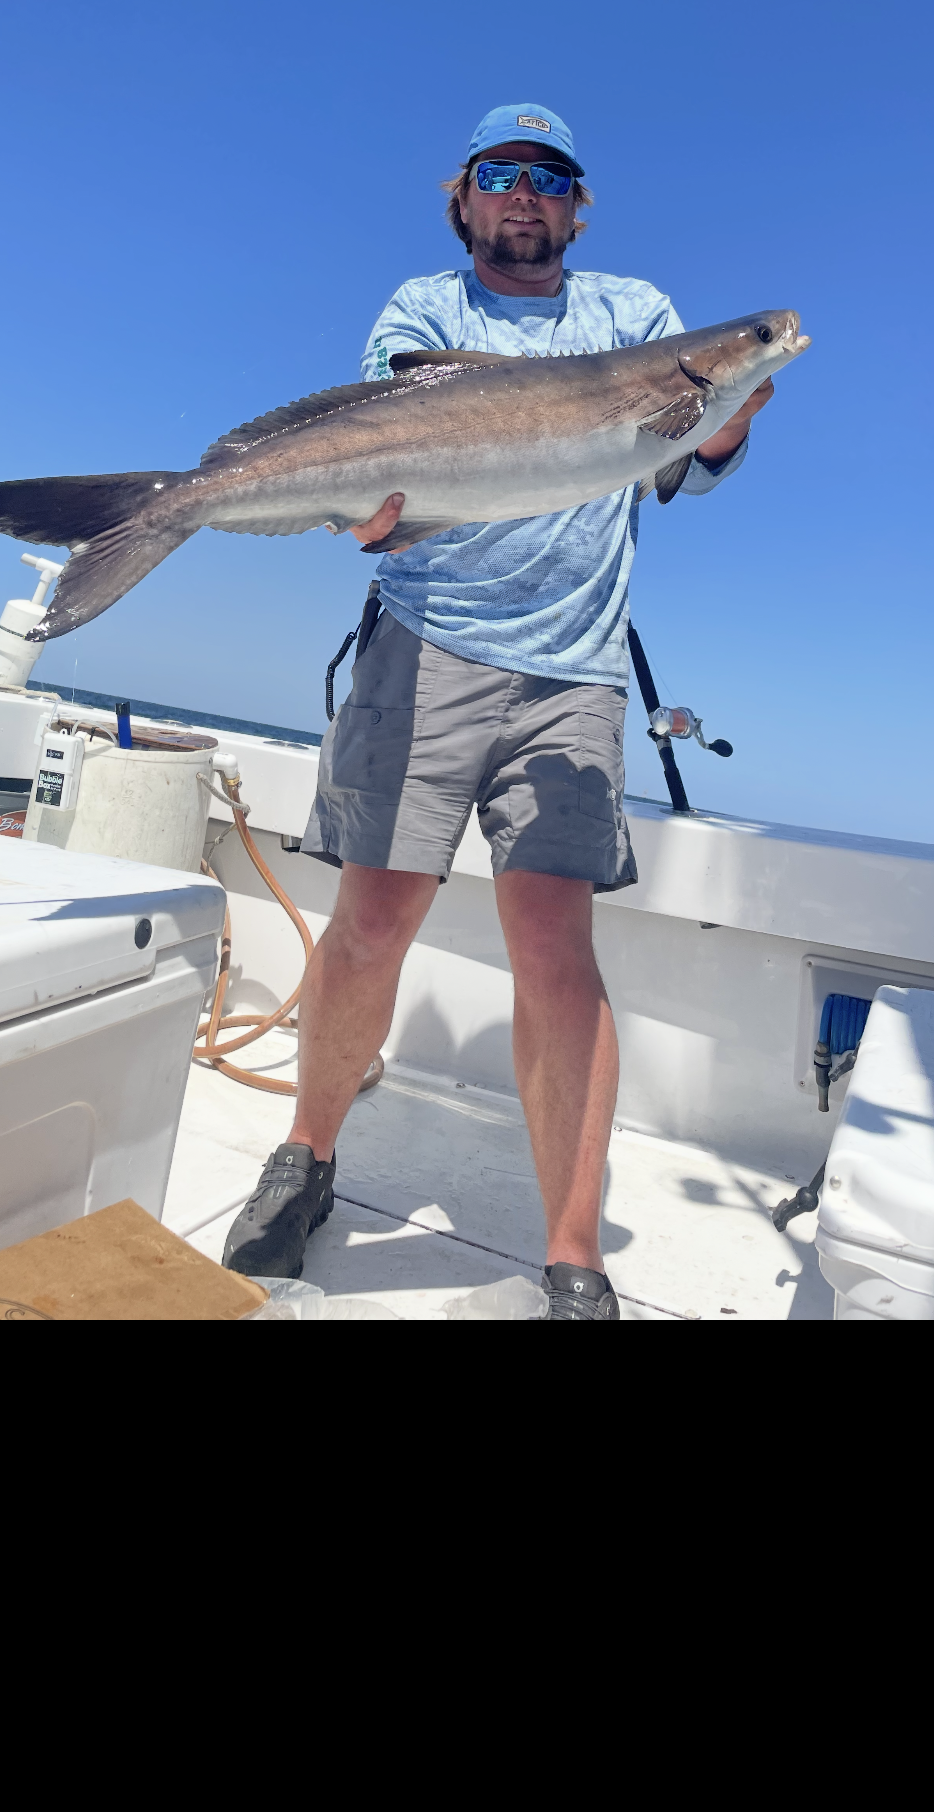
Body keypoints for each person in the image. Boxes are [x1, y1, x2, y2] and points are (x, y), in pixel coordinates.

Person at [222, 106, 773, 1317]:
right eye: (502, 176)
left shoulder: (634, 317)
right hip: (421, 651)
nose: (527, 195)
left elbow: (688, 461)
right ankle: (307, 1159)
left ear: (578, 209)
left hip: (573, 674)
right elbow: (387, 476)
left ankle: (574, 1251)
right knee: (370, 927)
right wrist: (364, 510)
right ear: (464, 199)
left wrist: (742, 385)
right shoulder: (421, 316)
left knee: (557, 957)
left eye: (552, 179)